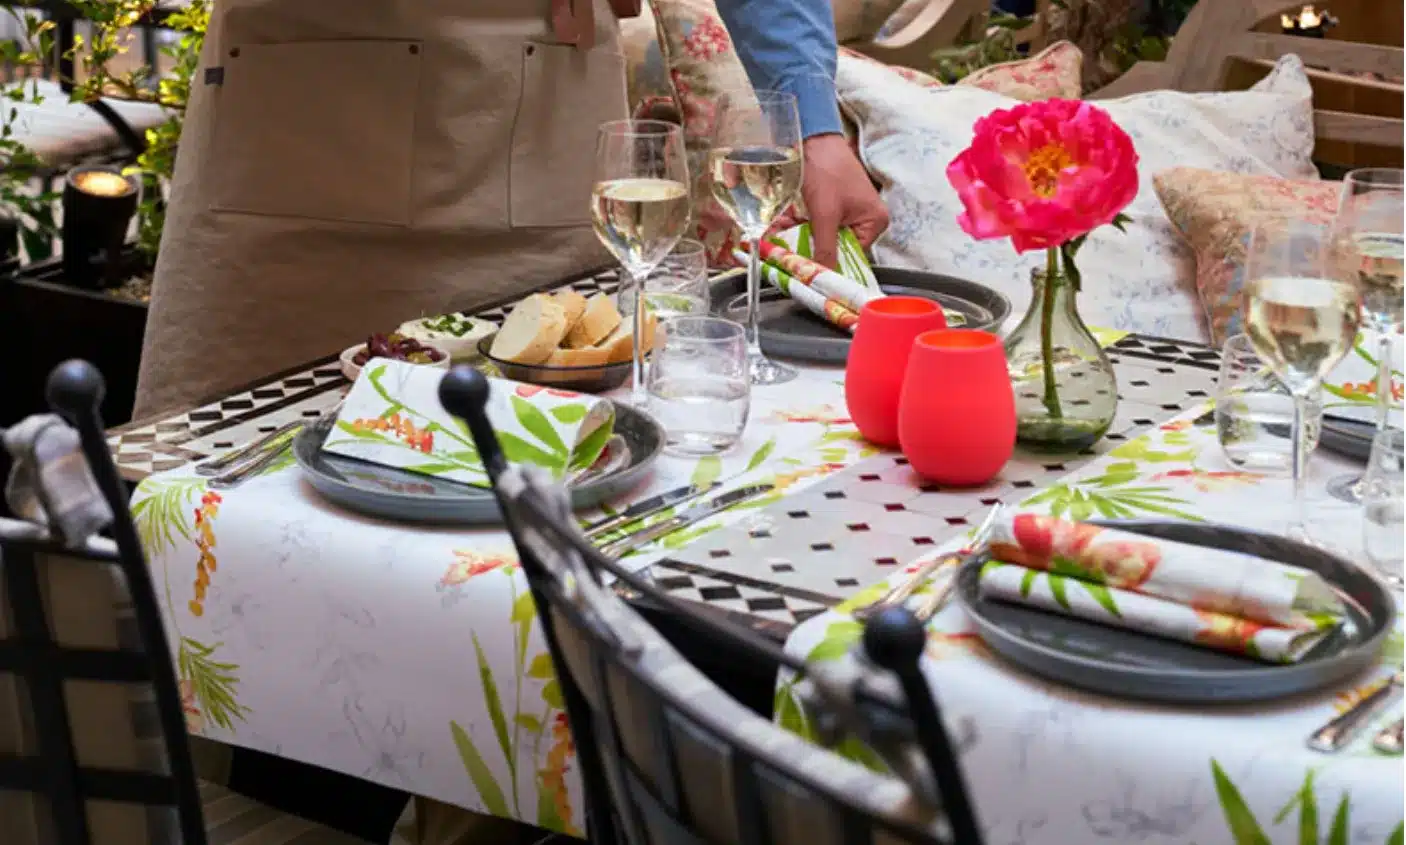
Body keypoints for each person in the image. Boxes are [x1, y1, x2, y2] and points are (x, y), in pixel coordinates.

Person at [133, 0, 886, 418]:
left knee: (543, 528)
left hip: (546, 148)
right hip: (302, 168)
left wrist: (816, 129)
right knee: (220, 531)